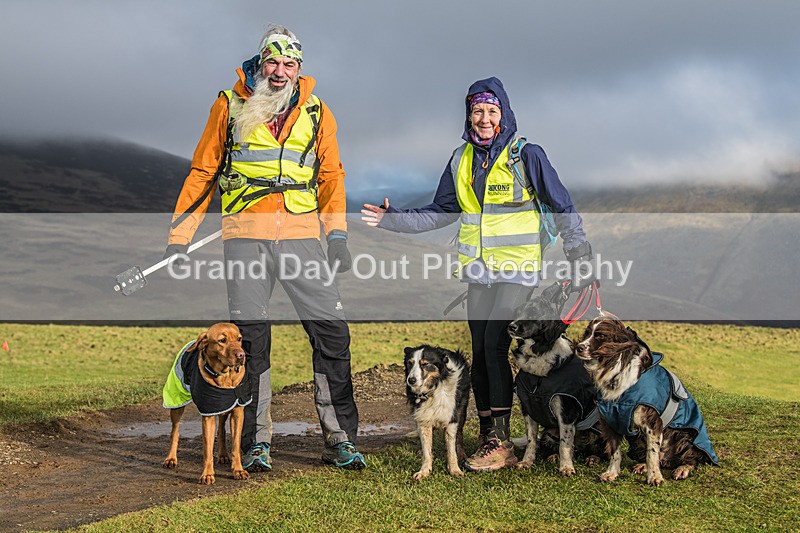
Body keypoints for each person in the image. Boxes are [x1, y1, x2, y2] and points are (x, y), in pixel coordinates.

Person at [362, 77, 592, 472]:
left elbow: (561, 204)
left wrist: (579, 253)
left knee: (492, 347)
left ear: (503, 114)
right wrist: (393, 220)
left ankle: (500, 442)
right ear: (468, 115)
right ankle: (490, 435)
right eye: (477, 111)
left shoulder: (527, 155)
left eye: (491, 111)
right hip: (480, 273)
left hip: (518, 271)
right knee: (482, 354)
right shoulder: (461, 159)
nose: (484, 119)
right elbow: (440, 211)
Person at [164, 24, 365, 471]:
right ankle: (255, 443)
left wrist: (337, 235)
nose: (279, 71)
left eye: (289, 64)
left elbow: (332, 177)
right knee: (249, 343)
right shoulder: (229, 104)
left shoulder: (317, 112)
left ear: (299, 69)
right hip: (245, 239)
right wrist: (181, 236)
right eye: (272, 62)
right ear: (259, 63)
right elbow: (203, 172)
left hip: (301, 239)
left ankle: (341, 440)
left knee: (332, 333)